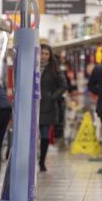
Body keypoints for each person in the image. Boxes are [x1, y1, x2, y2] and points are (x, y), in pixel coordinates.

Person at [39, 44, 68, 172]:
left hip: (48, 107)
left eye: (46, 54)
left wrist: (52, 96)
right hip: (33, 106)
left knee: (45, 134)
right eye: (41, 53)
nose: (43, 56)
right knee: (32, 136)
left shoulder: (55, 70)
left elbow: (64, 85)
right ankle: (33, 159)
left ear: (50, 56)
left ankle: (42, 161)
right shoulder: (31, 66)